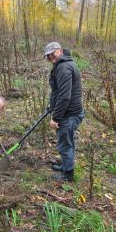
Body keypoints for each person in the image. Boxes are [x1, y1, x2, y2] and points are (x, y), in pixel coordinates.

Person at [44, 42, 84, 182]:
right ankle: (66, 165)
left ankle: (68, 174)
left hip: (69, 114)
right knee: (67, 142)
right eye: (48, 56)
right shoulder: (64, 63)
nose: (50, 57)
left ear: (60, 51)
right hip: (71, 112)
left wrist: (55, 118)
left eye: (52, 53)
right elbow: (59, 92)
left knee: (65, 144)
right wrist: (52, 105)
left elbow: (65, 96)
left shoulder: (64, 67)